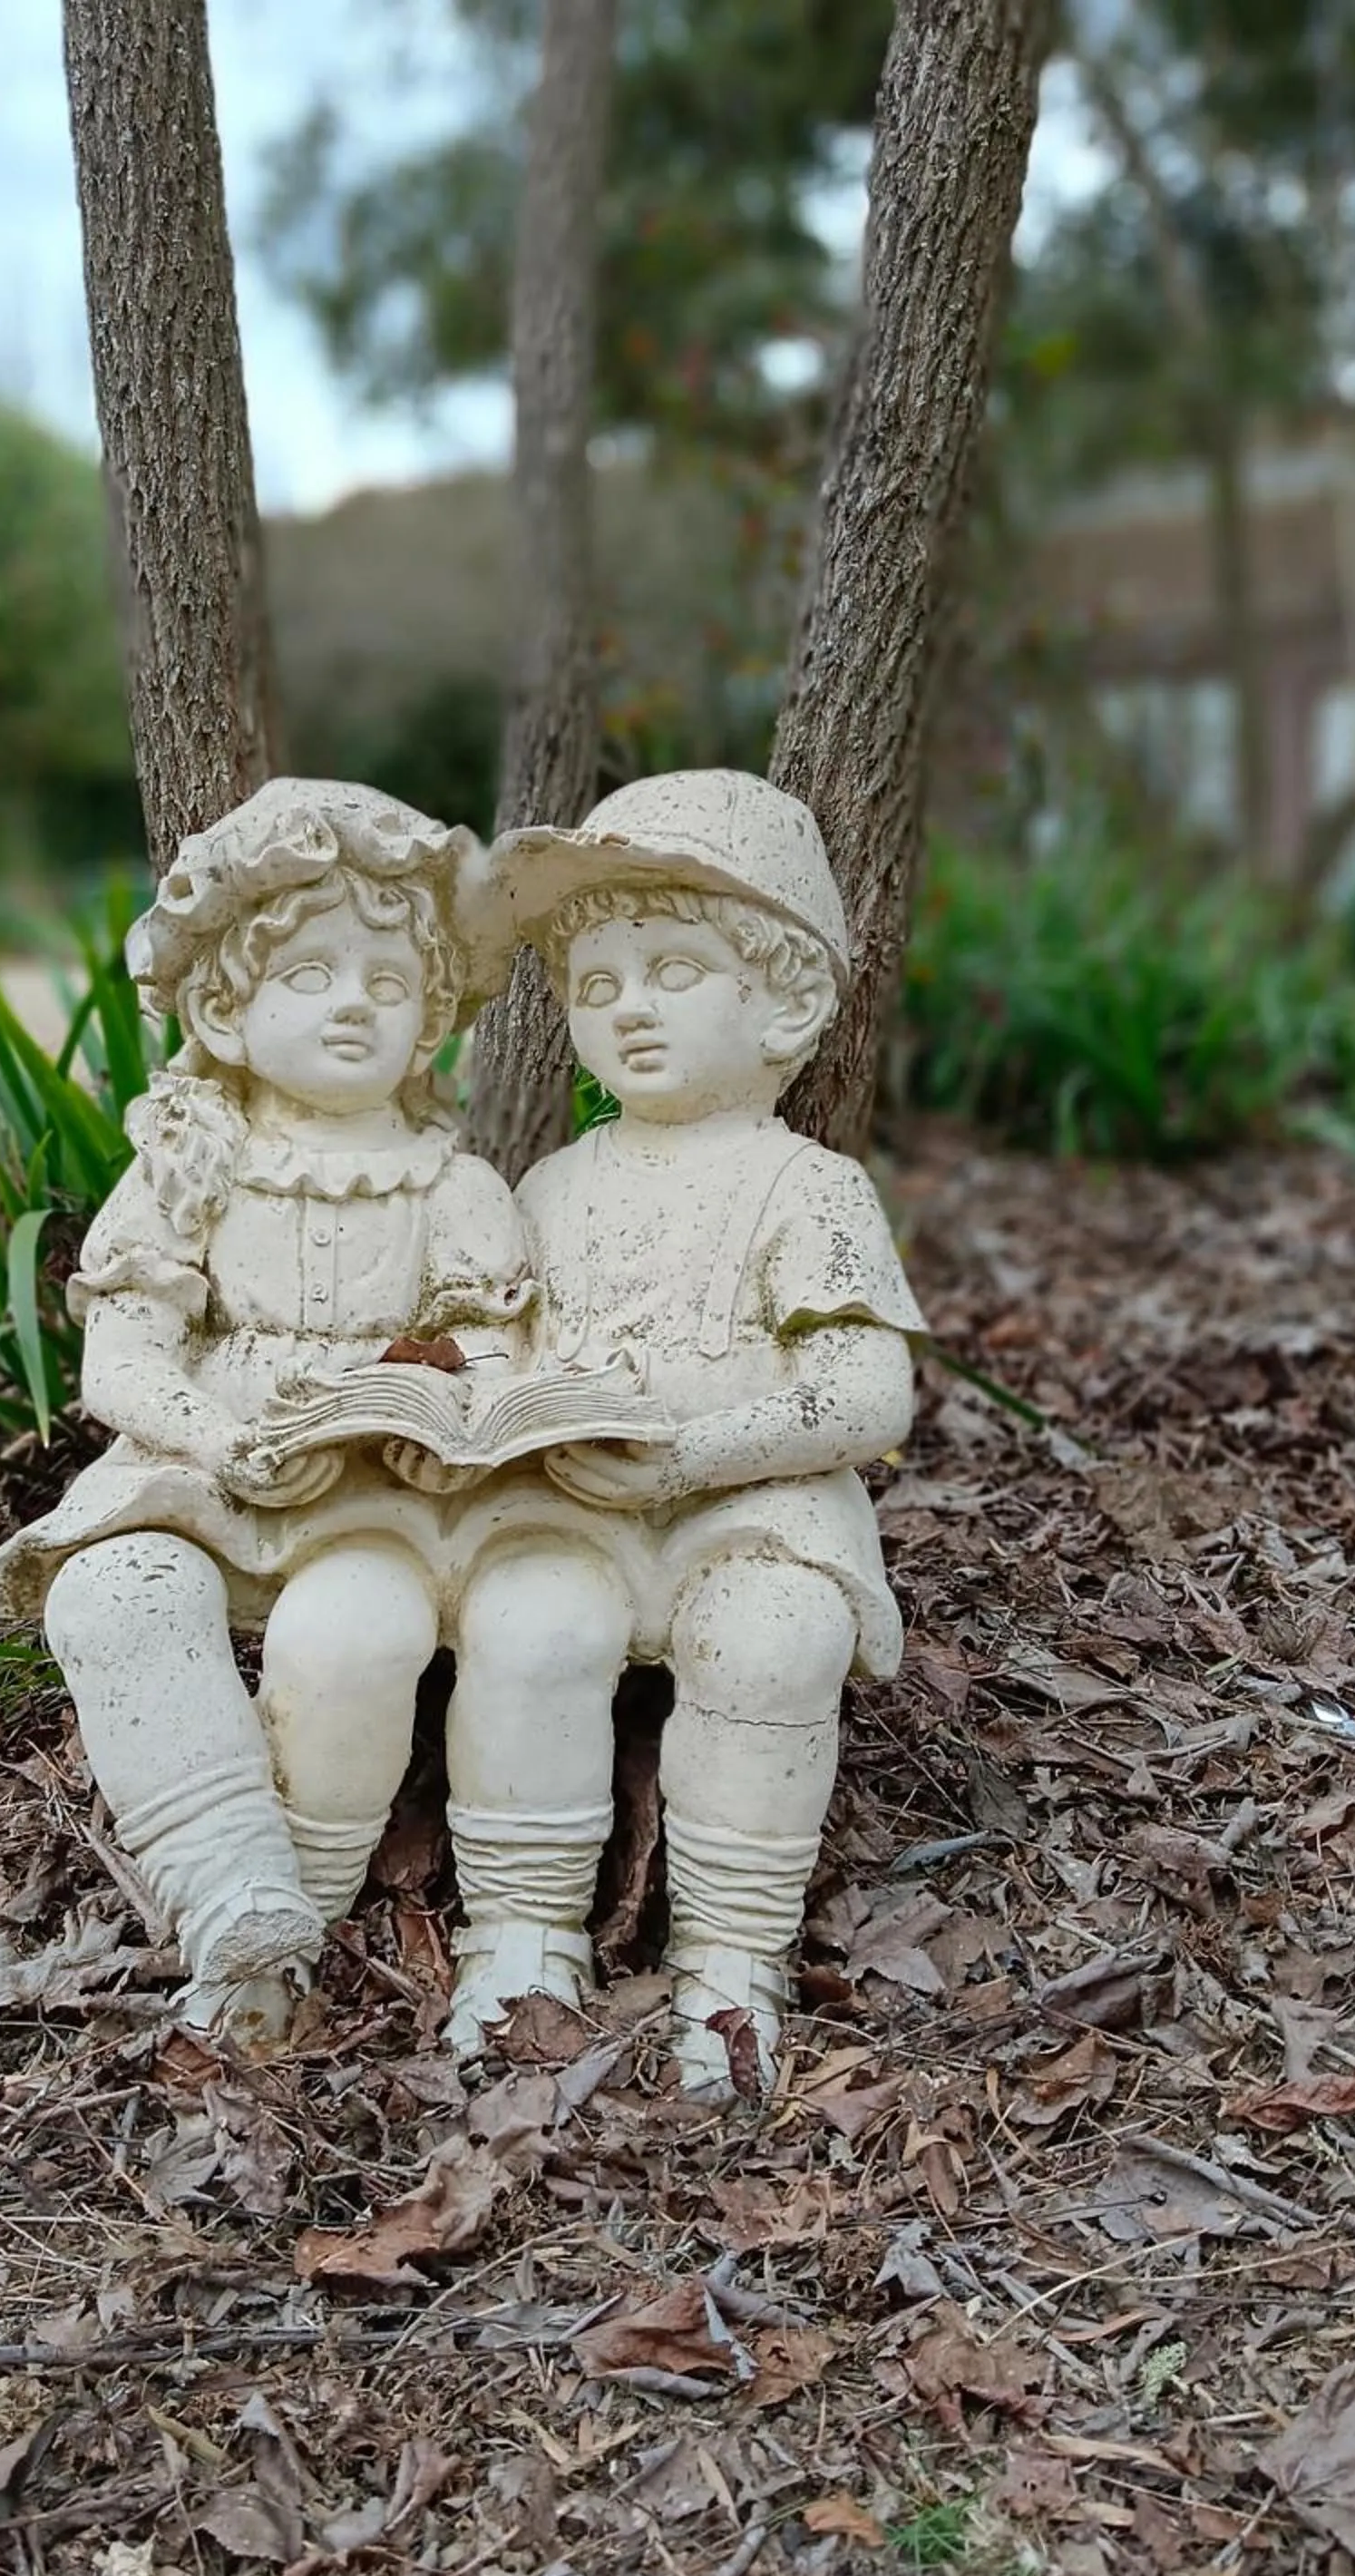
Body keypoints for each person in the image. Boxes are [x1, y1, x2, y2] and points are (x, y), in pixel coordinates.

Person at [0, 781, 529, 2043]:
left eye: (388, 987)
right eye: (312, 974)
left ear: (430, 1018)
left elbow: (493, 1349)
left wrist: (448, 1405)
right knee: (110, 1595)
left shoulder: (453, 1183)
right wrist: (219, 1438)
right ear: (227, 1002)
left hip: (387, 1487)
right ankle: (228, 1885)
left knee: (362, 1632)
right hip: (211, 1462)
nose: (351, 1005)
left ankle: (305, 1912)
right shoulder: (192, 1166)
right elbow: (120, 1360)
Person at [444, 770, 928, 2089]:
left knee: (772, 1642)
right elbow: (511, 1344)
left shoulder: (808, 1188)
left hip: (752, 1506)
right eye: (597, 987)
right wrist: (490, 1394)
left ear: (779, 997)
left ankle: (730, 1953)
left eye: (672, 971)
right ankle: (522, 1926)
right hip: (578, 1506)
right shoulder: (551, 1184)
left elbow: (867, 1396)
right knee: (528, 1627)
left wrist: (693, 1454)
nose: (631, 1009)